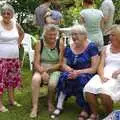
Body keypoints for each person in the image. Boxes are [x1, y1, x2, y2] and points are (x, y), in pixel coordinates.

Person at [51, 24, 99, 120]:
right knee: (64, 77)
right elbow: (63, 64)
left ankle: (85, 109)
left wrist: (78, 72)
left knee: (81, 80)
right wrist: (70, 70)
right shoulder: (69, 47)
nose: (73, 37)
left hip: (87, 73)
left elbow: (94, 69)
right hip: (72, 72)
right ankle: (59, 104)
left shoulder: (91, 47)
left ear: (84, 35)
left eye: (76, 34)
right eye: (72, 34)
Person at [84, 25, 120, 119]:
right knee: (89, 89)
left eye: (113, 35)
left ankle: (110, 115)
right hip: (104, 73)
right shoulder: (105, 48)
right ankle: (95, 114)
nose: (110, 37)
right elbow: (101, 65)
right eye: (110, 35)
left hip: (117, 76)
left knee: (104, 93)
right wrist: (101, 76)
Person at [30, 24, 64, 118]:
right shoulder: (39, 43)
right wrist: (42, 72)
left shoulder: (59, 43)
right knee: (35, 79)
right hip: (41, 67)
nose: (52, 37)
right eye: (50, 35)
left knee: (52, 84)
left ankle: (50, 102)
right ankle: (35, 107)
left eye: (54, 34)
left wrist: (48, 70)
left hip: (55, 68)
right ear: (45, 35)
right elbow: (36, 62)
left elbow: (60, 63)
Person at [0, 4, 24, 112]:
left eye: (8, 13)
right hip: (1, 58)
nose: (5, 15)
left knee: (12, 80)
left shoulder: (15, 24)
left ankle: (11, 100)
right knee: (1, 81)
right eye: (3, 13)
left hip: (14, 58)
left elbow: (22, 34)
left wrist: (18, 43)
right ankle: (0, 105)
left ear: (12, 15)